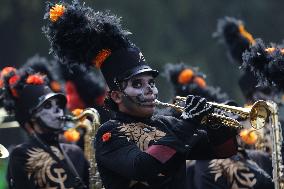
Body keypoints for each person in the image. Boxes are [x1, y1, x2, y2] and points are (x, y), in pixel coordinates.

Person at [43, 1, 238, 188]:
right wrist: (187, 123)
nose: (150, 90)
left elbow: (224, 151)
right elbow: (144, 167)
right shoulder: (109, 134)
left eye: (151, 83)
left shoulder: (167, 124)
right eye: (137, 84)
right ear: (117, 96)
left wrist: (215, 126)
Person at [2, 68, 89, 189]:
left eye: (58, 104)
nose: (58, 110)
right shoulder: (21, 154)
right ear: (33, 117)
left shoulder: (76, 152)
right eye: (47, 105)